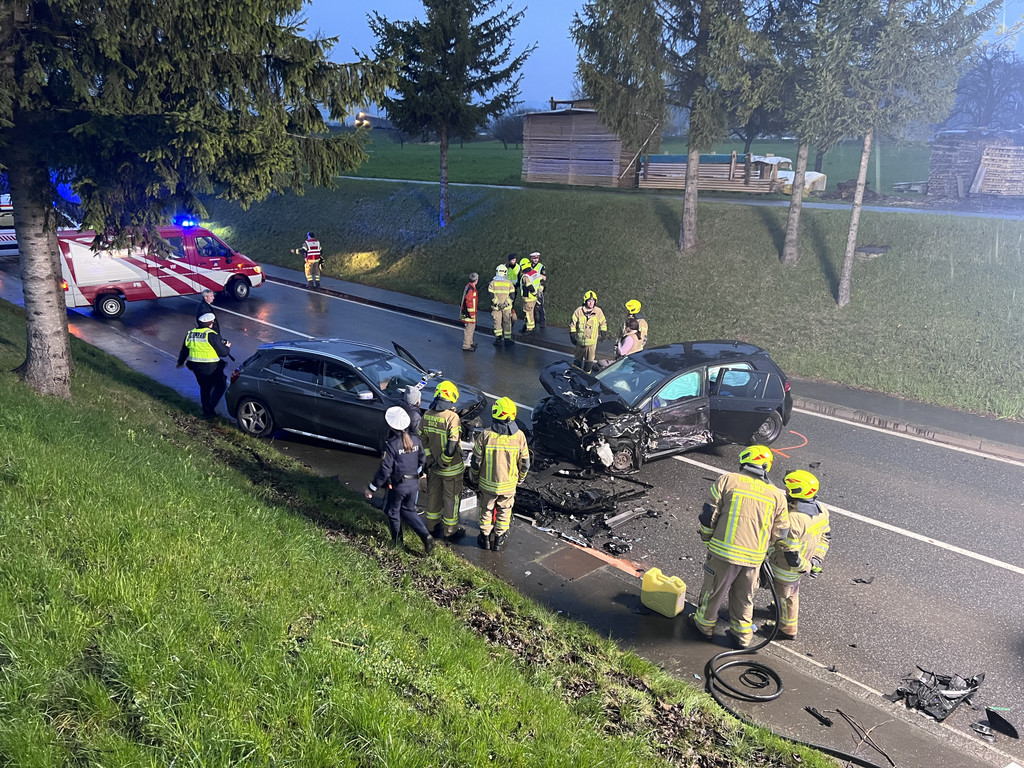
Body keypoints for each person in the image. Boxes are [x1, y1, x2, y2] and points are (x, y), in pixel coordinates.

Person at [690, 445, 796, 649]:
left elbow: (708, 514)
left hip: (723, 553)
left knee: (713, 592)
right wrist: (763, 548)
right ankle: (743, 637)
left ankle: (703, 627)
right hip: (753, 559)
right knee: (745, 598)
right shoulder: (777, 495)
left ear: (745, 461)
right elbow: (781, 533)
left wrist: (707, 537)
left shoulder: (728, 480)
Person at [765, 470, 831, 640]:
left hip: (786, 567)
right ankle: (778, 608)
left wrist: (806, 567)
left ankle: (786, 629)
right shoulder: (822, 511)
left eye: (788, 489)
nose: (786, 491)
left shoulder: (794, 519)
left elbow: (791, 555)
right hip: (804, 561)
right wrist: (816, 559)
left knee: (787, 596)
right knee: (786, 594)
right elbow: (825, 537)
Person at [364, 407, 435, 555]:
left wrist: (372, 488)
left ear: (391, 426)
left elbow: (385, 470)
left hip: (398, 486)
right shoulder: (415, 440)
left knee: (392, 512)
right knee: (409, 510)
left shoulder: (392, 445)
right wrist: (418, 473)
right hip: (413, 484)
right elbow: (422, 460)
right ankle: (426, 536)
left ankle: (398, 542)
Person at [471, 397, 530, 552]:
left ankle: (484, 539)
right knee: (505, 511)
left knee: (486, 510)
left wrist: (475, 476)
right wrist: (521, 478)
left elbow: (476, 461)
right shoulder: (519, 436)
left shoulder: (486, 435)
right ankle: (498, 541)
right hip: (508, 485)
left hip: (487, 484)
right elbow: (525, 463)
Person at [419, 380, 467, 541]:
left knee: (433, 495)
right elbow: (453, 442)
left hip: (433, 468)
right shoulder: (452, 417)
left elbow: (423, 439)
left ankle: (432, 527)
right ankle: (450, 532)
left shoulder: (427, 415)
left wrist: (431, 459)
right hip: (451, 469)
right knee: (451, 499)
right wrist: (443, 461)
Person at [175, 313, 232, 419]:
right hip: (211, 367)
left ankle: (206, 410)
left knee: (205, 387)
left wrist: (180, 362)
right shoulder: (211, 335)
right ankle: (210, 408)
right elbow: (224, 352)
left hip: (196, 367)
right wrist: (227, 346)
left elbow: (184, 350)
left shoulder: (191, 334)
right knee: (221, 386)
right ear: (211, 323)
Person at [569, 290, 608, 374]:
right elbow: (572, 324)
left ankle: (586, 377)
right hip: (580, 342)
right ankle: (576, 376)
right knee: (577, 363)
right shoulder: (578, 311)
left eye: (593, 301)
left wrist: (603, 333)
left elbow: (603, 323)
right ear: (585, 301)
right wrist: (572, 335)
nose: (591, 303)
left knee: (588, 364)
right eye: (589, 301)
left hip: (591, 344)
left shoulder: (598, 312)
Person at [488, 264, 515, 346]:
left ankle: (498, 339)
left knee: (497, 323)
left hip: (496, 307)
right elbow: (512, 296)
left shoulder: (492, 283)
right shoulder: (509, 283)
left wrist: (498, 304)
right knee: (507, 322)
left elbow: (491, 296)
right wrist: (505, 304)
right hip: (507, 307)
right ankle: (507, 339)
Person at [518, 258, 539, 334]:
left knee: (528, 313)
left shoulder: (525, 277)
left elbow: (529, 286)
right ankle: (526, 326)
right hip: (534, 298)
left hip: (529, 297)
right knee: (530, 313)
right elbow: (539, 282)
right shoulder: (535, 272)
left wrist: (534, 293)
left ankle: (530, 329)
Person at [460, 272, 479, 351]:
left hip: (469, 312)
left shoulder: (469, 286)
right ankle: (466, 345)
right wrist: (471, 313)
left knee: (471, 328)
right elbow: (469, 302)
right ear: (476, 280)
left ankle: (470, 342)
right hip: (469, 313)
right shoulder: (471, 289)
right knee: (469, 329)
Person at [529, 251, 547, 328]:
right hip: (530, 289)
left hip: (538, 289)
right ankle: (534, 321)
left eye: (537, 258)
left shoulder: (541, 267)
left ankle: (542, 321)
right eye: (534, 258)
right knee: (531, 307)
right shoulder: (528, 266)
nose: (536, 260)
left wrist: (535, 274)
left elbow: (544, 278)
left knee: (540, 306)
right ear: (531, 258)